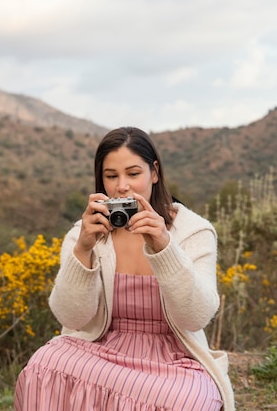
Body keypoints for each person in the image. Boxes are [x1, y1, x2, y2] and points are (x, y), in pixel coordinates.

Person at [15, 127, 234, 411]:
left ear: (154, 172)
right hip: (100, 347)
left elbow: (196, 318)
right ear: (100, 180)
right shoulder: (85, 234)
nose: (122, 186)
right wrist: (82, 249)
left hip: (174, 358)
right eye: (111, 176)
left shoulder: (193, 232)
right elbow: (72, 318)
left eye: (133, 174)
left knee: (185, 400)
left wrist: (164, 248)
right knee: (44, 365)